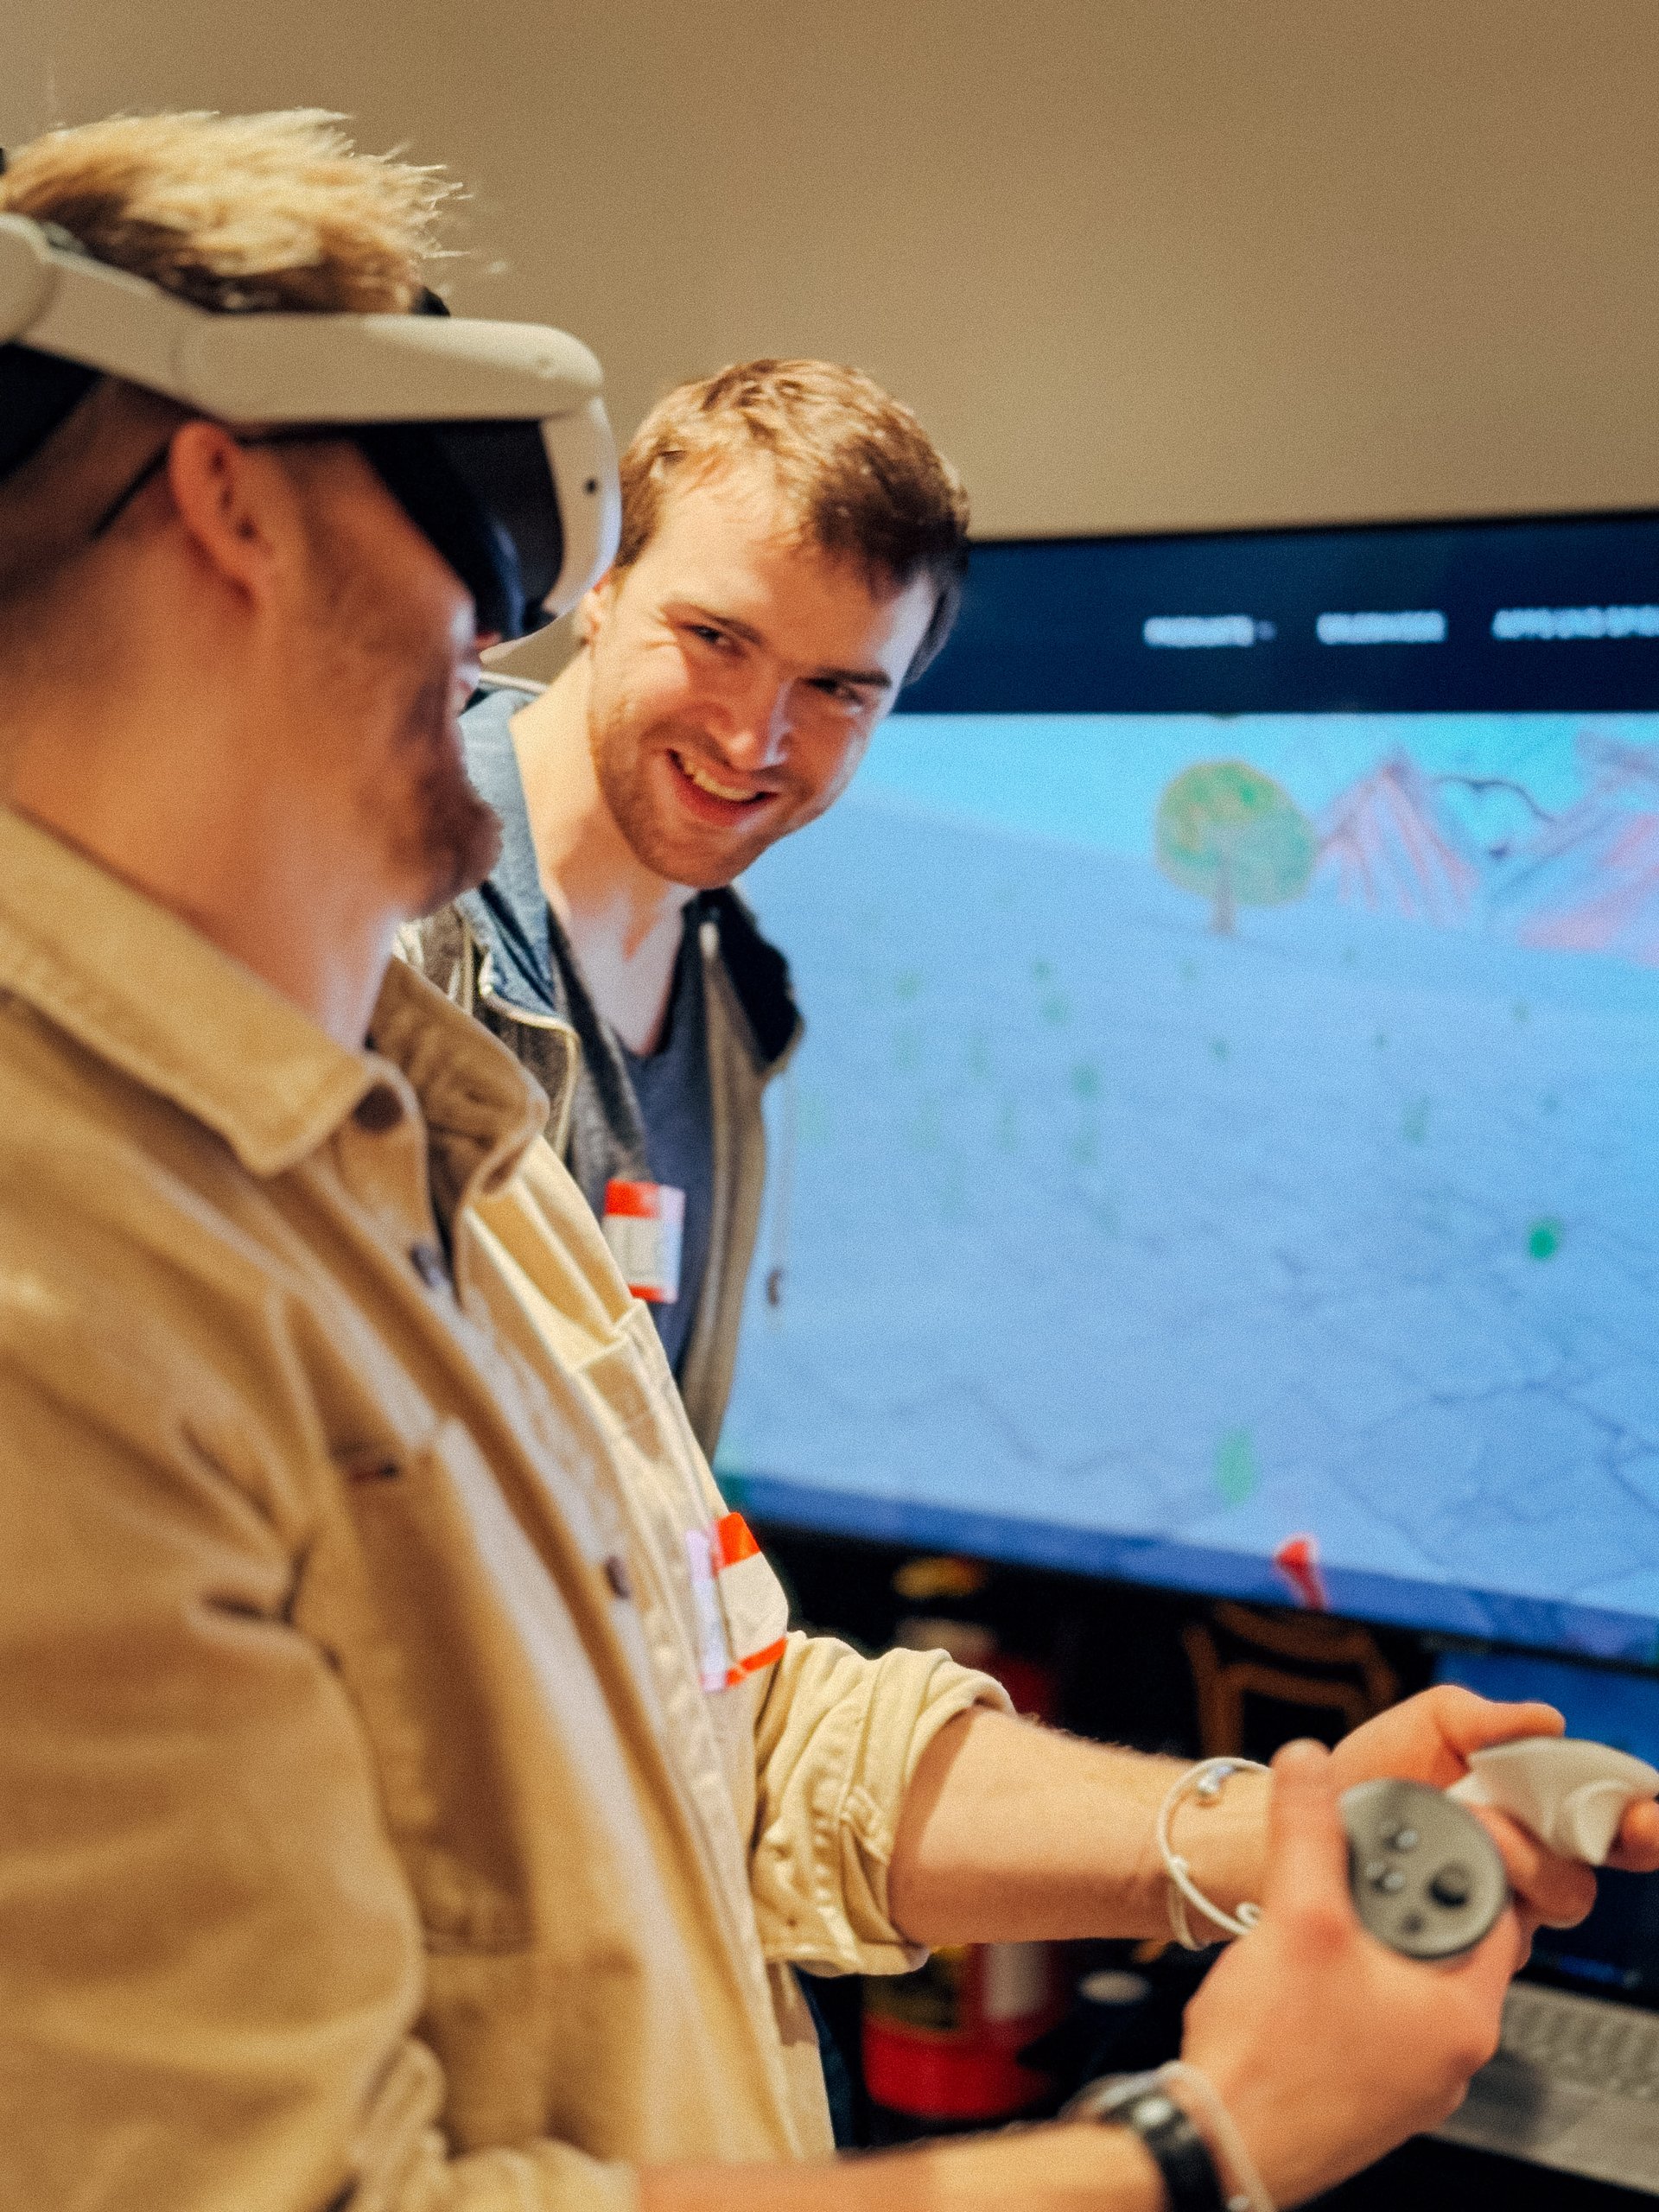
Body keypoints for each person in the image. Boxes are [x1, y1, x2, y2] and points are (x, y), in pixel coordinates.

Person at [2, 108, 1655, 2212]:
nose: (500, 622)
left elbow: (730, 1716)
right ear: (225, 505)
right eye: (470, 521)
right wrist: (1197, 2142)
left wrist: (1254, 1829)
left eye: (836, 688)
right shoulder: (62, 1281)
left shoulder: (429, 1133)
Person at [405, 359, 966, 1454]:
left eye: (836, 689)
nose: (754, 740)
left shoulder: (736, 1007)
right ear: (599, 589)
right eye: (716, 638)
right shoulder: (380, 913)